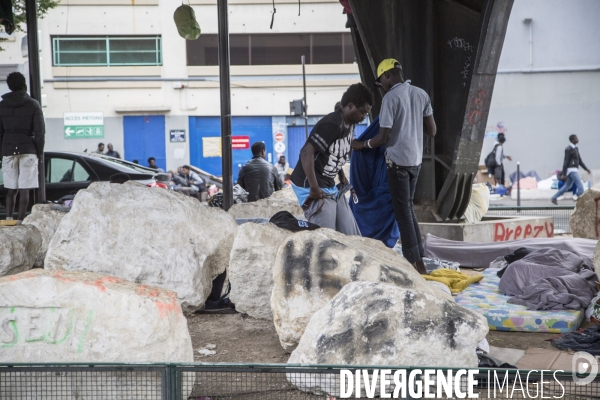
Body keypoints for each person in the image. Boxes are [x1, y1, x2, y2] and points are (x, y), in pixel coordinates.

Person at [351, 59, 435, 275]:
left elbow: (382, 137)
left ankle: (414, 265)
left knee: (403, 214)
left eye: (381, 82)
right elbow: (432, 130)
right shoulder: (421, 94)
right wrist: (411, 126)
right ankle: (419, 261)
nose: (383, 87)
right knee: (409, 210)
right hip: (415, 163)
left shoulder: (391, 98)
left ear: (387, 75)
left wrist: (362, 144)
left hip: (397, 164)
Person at [291, 82, 373, 234]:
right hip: (311, 185)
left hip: (329, 185)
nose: (363, 116)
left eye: (366, 114)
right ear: (350, 105)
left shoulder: (350, 124)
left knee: (351, 234)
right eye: (362, 112)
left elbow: (334, 154)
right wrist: (314, 188)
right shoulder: (332, 124)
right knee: (326, 238)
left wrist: (341, 176)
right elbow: (305, 152)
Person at [0, 72, 45, 224]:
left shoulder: (2, 105)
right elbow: (40, 132)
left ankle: (8, 220)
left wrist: (2, 152)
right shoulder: (33, 104)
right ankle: (20, 222)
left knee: (11, 189)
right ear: (24, 84)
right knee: (25, 188)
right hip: (28, 149)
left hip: (8, 148)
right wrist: (39, 152)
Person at [551, 134, 591, 204]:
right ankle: (580, 198)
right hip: (571, 170)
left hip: (574, 169)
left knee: (567, 186)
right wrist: (564, 173)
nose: (578, 139)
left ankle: (554, 197)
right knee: (580, 185)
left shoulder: (576, 148)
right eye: (576, 138)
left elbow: (580, 161)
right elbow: (565, 161)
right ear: (572, 140)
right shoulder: (568, 149)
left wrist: (586, 169)